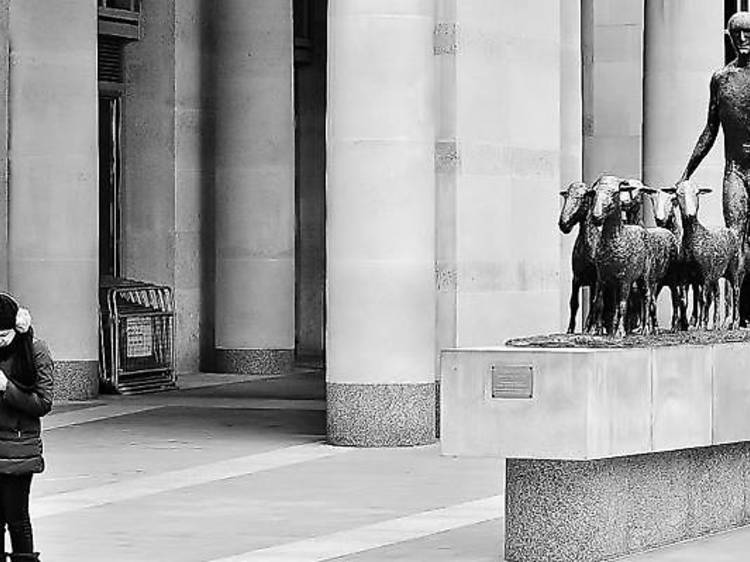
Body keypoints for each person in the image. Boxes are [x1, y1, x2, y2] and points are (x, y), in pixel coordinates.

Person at [680, 11, 750, 242]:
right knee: (734, 238)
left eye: (747, 33)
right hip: (735, 171)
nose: (742, 39)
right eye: (736, 34)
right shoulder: (721, 79)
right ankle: (737, 280)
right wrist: (687, 173)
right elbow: (710, 130)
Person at [0, 294, 53, 562]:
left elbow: (43, 402)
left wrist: (7, 388)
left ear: (17, 326)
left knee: (16, 516)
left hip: (19, 449)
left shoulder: (35, 350)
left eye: (4, 334)